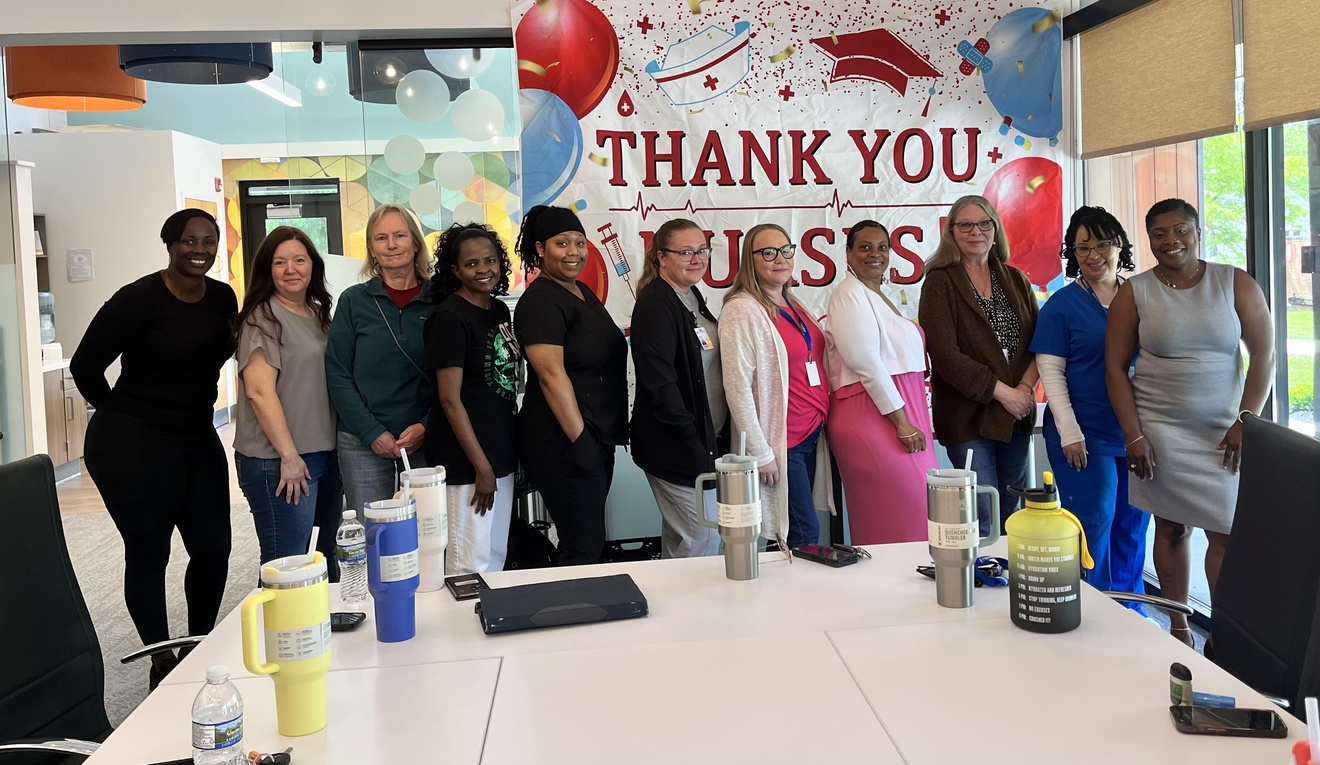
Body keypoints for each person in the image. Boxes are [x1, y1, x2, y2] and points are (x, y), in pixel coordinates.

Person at [70, 208, 237, 690]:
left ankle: (196, 645)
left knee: (214, 547)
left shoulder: (222, 298)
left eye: (208, 241)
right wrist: (122, 416)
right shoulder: (138, 299)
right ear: (169, 242)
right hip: (135, 441)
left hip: (196, 435)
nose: (199, 250)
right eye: (189, 241)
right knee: (149, 551)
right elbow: (85, 366)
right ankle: (161, 661)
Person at [1106, 198, 1274, 646]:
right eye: (1159, 234)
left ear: (1198, 233)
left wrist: (1247, 419)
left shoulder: (1234, 282)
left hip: (1225, 432)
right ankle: (1179, 628)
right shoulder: (1135, 291)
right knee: (1170, 527)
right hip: (1160, 430)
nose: (1170, 241)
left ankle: (1226, 635)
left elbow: (1265, 356)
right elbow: (1115, 368)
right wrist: (1134, 435)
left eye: (1180, 230)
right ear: (1149, 240)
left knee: (1226, 532)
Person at [1030, 207, 1147, 604]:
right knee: (1095, 520)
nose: (1093, 254)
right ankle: (1095, 608)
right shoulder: (1062, 306)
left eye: (1102, 244)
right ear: (1072, 253)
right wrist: (1070, 433)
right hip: (1083, 435)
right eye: (1082, 247)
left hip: (1133, 433)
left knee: (1132, 523)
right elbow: (1051, 375)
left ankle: (1132, 608)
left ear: (1120, 247)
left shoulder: (1140, 297)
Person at [918, 195, 1040, 534]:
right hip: (968, 416)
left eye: (984, 223)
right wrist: (1005, 393)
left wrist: (1025, 391)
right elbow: (944, 355)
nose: (976, 231)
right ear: (952, 233)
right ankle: (980, 583)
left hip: (1015, 413)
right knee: (982, 513)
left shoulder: (1015, 279)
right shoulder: (940, 281)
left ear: (996, 229)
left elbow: (1038, 343)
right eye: (966, 225)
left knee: (1010, 510)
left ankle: (1006, 583)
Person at [514, 206, 628, 566]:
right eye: (562, 243)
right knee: (582, 545)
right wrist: (581, 440)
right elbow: (550, 375)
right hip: (562, 441)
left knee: (588, 540)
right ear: (540, 249)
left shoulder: (580, 292)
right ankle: (568, 616)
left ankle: (582, 613)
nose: (574, 252)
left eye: (580, 243)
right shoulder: (540, 300)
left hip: (593, 437)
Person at [232, 226, 341, 576]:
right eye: (280, 262)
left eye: (299, 260)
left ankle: (325, 630)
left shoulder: (318, 313)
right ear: (268, 269)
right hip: (280, 461)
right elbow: (259, 392)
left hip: (321, 453)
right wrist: (289, 456)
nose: (291, 269)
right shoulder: (262, 318)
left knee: (323, 558)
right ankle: (280, 633)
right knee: (288, 567)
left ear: (313, 266)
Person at [720, 223, 833, 549]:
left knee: (787, 532)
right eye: (768, 252)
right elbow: (737, 386)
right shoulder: (741, 309)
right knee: (802, 533)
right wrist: (760, 452)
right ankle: (796, 601)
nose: (779, 258)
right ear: (750, 259)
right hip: (781, 441)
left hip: (810, 432)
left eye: (786, 250)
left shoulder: (792, 301)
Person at [825, 220, 936, 544]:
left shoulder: (876, 295)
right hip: (875, 416)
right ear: (848, 253)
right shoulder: (848, 295)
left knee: (917, 513)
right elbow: (866, 362)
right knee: (902, 514)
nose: (875, 254)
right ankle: (889, 591)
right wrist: (902, 422)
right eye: (864, 247)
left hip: (898, 413)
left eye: (882, 247)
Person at [326, 204, 436, 518]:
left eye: (400, 235)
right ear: (372, 250)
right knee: (373, 537)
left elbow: (453, 377)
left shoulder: (440, 301)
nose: (391, 245)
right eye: (381, 238)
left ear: (415, 243)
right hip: (362, 442)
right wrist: (372, 433)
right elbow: (338, 373)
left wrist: (426, 427)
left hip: (424, 441)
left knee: (426, 537)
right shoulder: (353, 301)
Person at [424, 223, 521, 574]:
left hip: (499, 455)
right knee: (469, 563)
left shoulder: (499, 311)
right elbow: (450, 400)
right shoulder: (450, 318)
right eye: (471, 264)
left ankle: (488, 622)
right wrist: (481, 467)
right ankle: (462, 628)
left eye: (490, 261)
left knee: (494, 554)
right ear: (454, 271)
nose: (483, 270)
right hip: (467, 463)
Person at [630, 218, 728, 558]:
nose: (696, 258)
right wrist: (692, 440)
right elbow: (660, 384)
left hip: (700, 443)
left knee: (683, 538)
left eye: (702, 250)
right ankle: (696, 612)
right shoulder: (657, 302)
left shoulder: (690, 295)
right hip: (677, 447)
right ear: (662, 257)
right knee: (703, 537)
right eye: (685, 252)